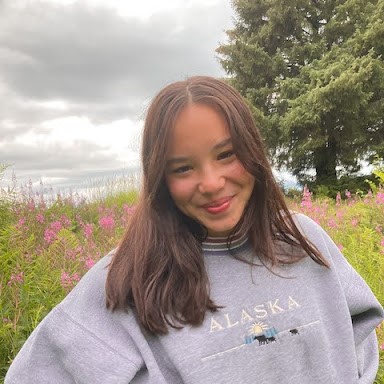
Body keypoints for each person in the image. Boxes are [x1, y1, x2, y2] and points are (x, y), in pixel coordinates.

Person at [5, 76, 384, 384]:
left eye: (226, 154)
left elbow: (356, 332)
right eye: (183, 168)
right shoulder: (128, 277)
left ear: (253, 151)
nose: (211, 182)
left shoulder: (303, 239)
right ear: (161, 178)